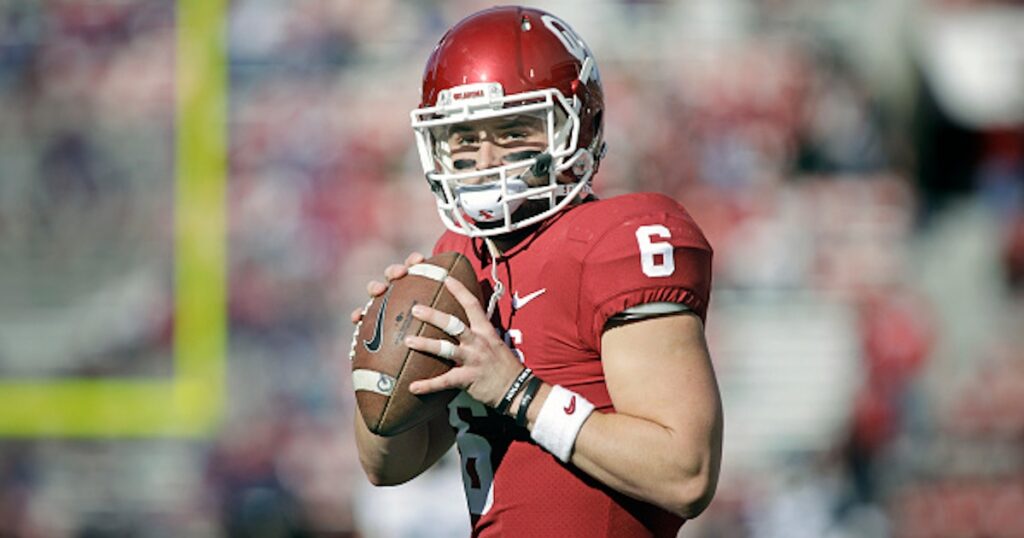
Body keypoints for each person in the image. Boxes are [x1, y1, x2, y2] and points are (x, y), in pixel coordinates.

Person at [351, 6, 723, 537]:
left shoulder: (620, 239)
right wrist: (377, 367)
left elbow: (686, 472)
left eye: (512, 130)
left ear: (576, 125)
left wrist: (519, 392)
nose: (485, 159)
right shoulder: (461, 255)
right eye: (464, 137)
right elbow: (388, 467)